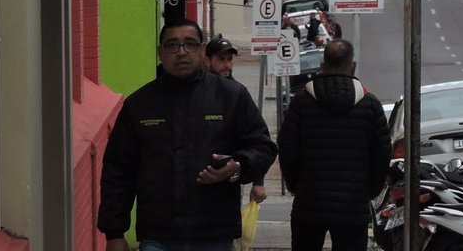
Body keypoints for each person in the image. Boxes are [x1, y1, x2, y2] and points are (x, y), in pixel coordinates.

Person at [98, 17, 277, 251]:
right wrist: (114, 233)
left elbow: (263, 148)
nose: (181, 52)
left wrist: (237, 166)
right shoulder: (139, 105)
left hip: (215, 233)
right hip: (158, 235)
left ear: (202, 50)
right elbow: (118, 170)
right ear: (160, 53)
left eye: (190, 44)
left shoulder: (231, 97)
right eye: (172, 45)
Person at [278, 38, 392, 251]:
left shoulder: (301, 103)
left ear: (322, 65)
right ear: (353, 65)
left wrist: (295, 185)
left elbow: (287, 147)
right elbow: (382, 153)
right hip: (353, 206)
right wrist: (370, 190)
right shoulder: (370, 105)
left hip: (309, 204)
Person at [205, 35, 270, 208]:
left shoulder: (237, 94)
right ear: (207, 61)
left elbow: (257, 141)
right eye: (221, 59)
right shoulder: (198, 92)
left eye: (229, 59)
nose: (227, 65)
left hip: (228, 179)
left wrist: (258, 180)